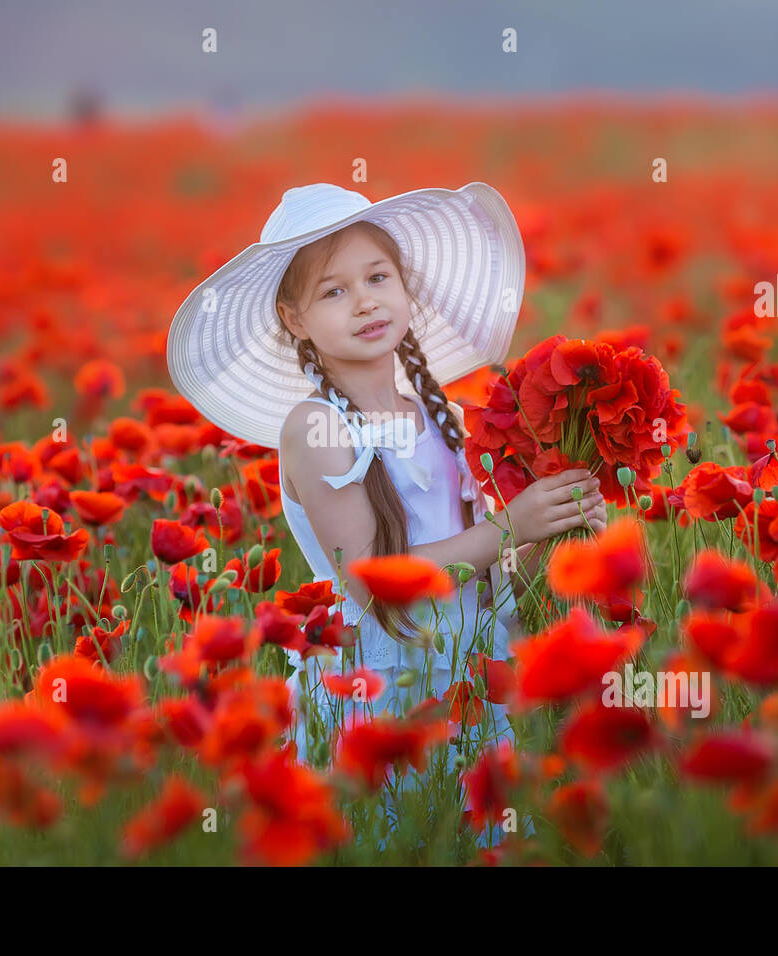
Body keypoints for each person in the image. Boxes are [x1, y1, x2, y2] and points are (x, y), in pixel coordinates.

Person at [168, 182, 607, 849]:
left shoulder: (450, 420)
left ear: (406, 289)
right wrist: (511, 525)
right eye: (334, 291)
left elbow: (490, 581)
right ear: (294, 319)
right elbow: (372, 580)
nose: (365, 300)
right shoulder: (315, 428)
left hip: (468, 675)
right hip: (374, 686)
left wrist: (553, 528)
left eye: (378, 277)